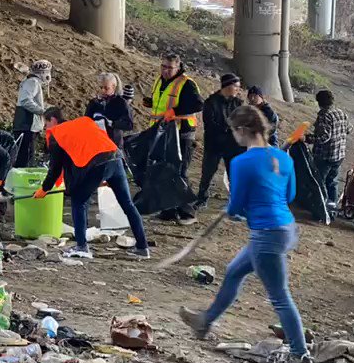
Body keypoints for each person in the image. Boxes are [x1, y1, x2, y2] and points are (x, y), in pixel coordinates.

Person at [180, 105, 315, 363]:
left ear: (242, 130)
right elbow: (289, 195)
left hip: (266, 234)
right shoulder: (283, 159)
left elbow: (236, 207)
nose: (234, 137)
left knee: (279, 296)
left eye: (234, 131)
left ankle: (301, 357)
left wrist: (235, 210)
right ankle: (205, 321)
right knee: (233, 271)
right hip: (284, 228)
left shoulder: (242, 162)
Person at [34, 108, 151, 260]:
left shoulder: (58, 134)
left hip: (98, 165)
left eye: (46, 123)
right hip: (115, 158)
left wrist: (44, 189)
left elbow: (55, 169)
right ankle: (143, 247)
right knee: (128, 204)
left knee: (79, 201)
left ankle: (81, 247)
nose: (45, 128)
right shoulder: (83, 122)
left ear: (53, 120)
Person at [149, 52, 204, 225]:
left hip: (181, 134)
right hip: (163, 132)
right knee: (165, 171)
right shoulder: (160, 81)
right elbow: (164, 104)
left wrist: (175, 112)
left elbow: (198, 104)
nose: (165, 70)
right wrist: (151, 103)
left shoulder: (186, 83)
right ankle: (169, 210)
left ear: (178, 67)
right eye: (163, 66)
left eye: (169, 68)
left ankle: (188, 212)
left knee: (179, 173)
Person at [195, 73, 246, 208]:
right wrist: (229, 126)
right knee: (207, 173)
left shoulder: (238, 103)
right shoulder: (211, 102)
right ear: (228, 86)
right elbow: (210, 124)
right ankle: (202, 199)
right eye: (236, 86)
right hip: (214, 144)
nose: (238, 89)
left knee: (234, 174)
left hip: (233, 145)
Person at [308, 89, 351, 206]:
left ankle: (320, 208)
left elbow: (324, 137)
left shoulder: (324, 115)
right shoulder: (341, 113)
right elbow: (349, 130)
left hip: (325, 156)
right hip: (339, 155)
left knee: (319, 182)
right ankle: (332, 209)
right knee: (332, 182)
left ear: (319, 103)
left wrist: (308, 139)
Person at [12, 60, 51, 168]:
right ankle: (21, 181)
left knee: (24, 156)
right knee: (26, 157)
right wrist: (43, 111)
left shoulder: (29, 81)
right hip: (28, 125)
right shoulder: (33, 82)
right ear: (44, 73)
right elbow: (26, 101)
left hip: (25, 124)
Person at [85, 72, 134, 148]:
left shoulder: (121, 103)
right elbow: (86, 121)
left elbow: (129, 125)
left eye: (106, 88)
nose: (103, 90)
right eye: (101, 87)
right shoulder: (94, 102)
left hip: (113, 145)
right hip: (96, 144)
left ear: (114, 87)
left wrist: (112, 123)